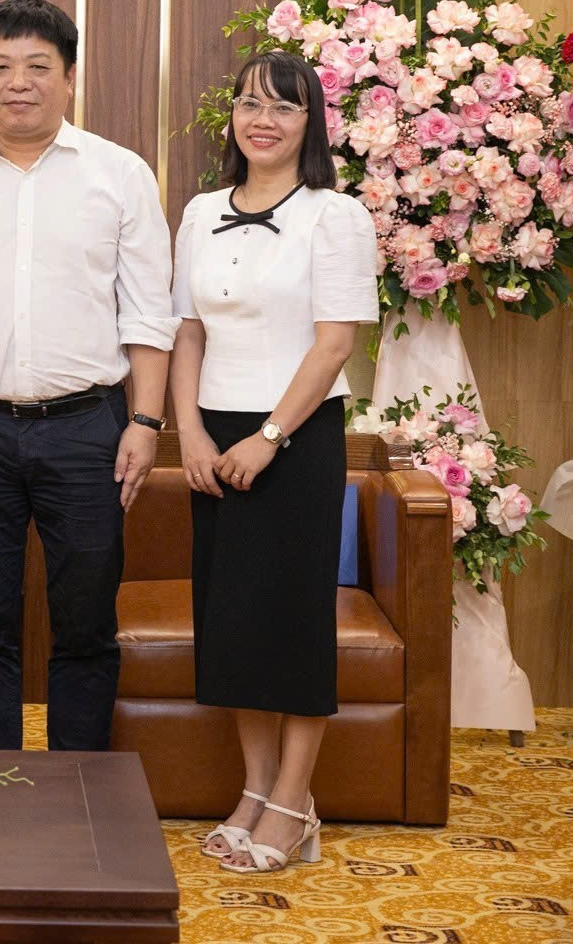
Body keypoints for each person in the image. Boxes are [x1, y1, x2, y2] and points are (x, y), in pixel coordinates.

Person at [0, 0, 175, 752]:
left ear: (70, 77)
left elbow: (149, 315)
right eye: (1, 67)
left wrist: (146, 423)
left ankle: (82, 797)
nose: (19, 82)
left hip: (89, 427)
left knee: (84, 622)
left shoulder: (119, 174)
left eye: (38, 67)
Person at [169, 49, 378, 873]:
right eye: (251, 103)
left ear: (309, 124)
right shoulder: (197, 210)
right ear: (232, 117)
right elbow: (186, 331)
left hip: (295, 437)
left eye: (284, 108)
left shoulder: (336, 215)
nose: (264, 120)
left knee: (289, 626)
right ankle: (254, 791)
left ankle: (294, 804)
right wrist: (186, 430)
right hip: (211, 434)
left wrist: (269, 438)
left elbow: (335, 344)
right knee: (233, 624)